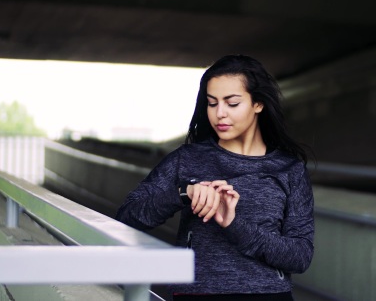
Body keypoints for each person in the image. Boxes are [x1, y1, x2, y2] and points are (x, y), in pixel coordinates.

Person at [116, 54, 314, 300]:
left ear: (258, 104)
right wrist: (183, 192)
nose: (220, 113)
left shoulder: (289, 169)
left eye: (232, 103)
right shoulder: (187, 159)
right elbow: (126, 218)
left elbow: (301, 256)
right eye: (212, 103)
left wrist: (234, 224)